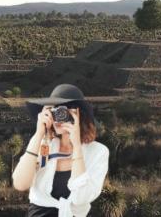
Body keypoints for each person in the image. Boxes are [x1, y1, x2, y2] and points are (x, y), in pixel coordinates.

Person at [12, 84, 109, 217]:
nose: (58, 116)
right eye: (54, 110)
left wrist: (76, 144)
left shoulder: (98, 152)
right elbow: (20, 184)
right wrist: (39, 133)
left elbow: (81, 197)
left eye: (63, 110)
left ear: (79, 114)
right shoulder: (43, 145)